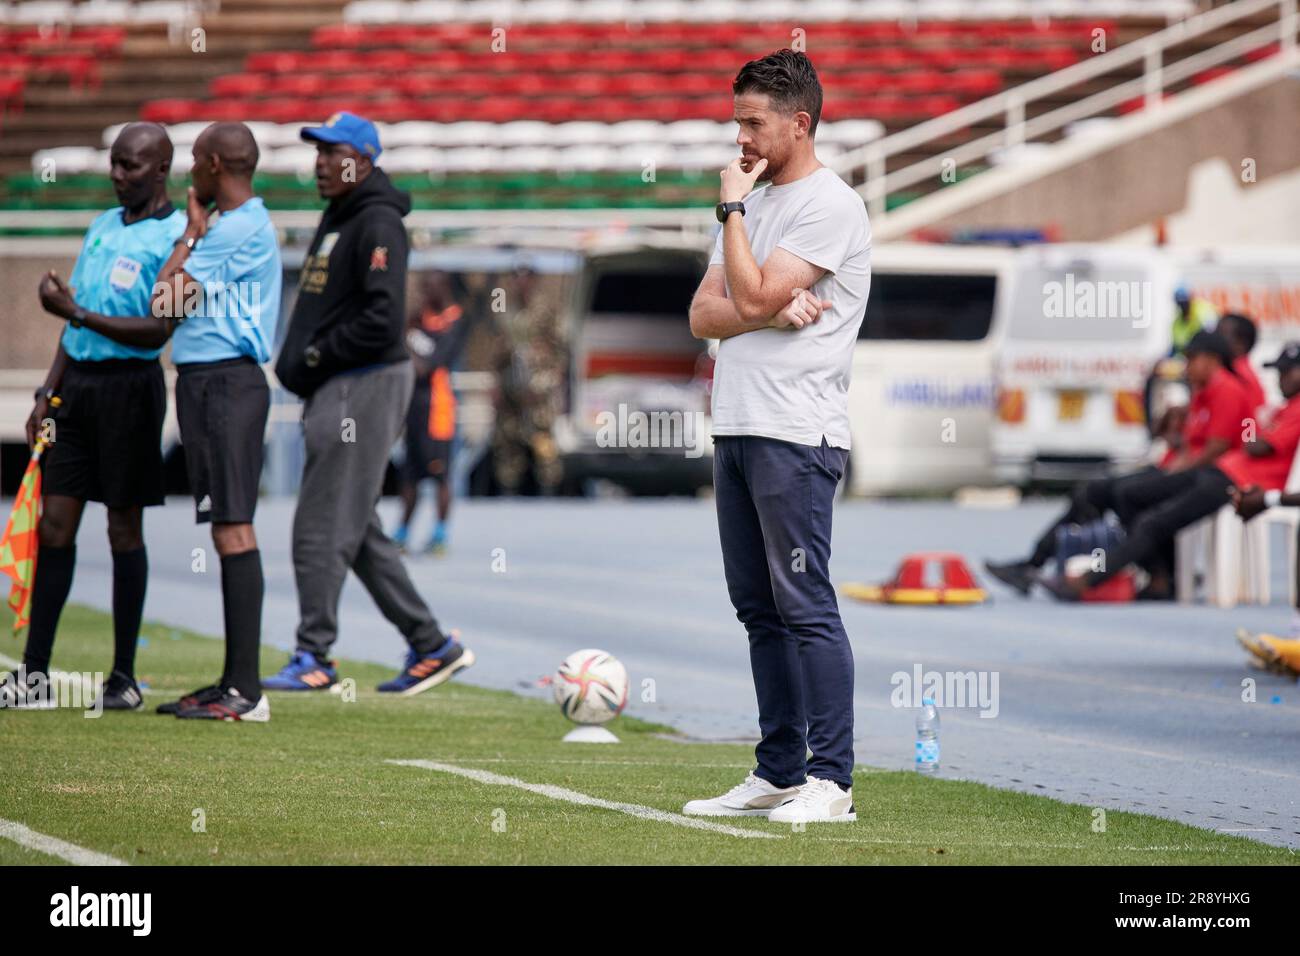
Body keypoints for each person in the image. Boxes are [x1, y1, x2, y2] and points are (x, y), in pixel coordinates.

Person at [681, 50, 870, 824]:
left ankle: (834, 781)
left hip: (797, 432)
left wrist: (735, 230)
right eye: (737, 120)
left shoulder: (829, 205)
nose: (742, 136)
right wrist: (760, 303)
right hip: (739, 425)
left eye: (754, 121)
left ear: (801, 122)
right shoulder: (753, 207)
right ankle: (779, 771)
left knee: (805, 605)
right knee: (758, 608)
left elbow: (747, 291)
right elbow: (702, 316)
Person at [269, 112, 474, 695]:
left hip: (362, 382)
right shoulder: (341, 215)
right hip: (344, 383)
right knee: (354, 524)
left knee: (320, 521)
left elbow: (382, 320)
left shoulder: (378, 221)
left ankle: (314, 654)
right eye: (316, 154)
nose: (320, 164)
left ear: (361, 157)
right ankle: (431, 644)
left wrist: (313, 358)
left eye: (331, 153)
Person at [0, 123, 183, 711]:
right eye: (113, 164)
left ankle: (123, 677)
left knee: (123, 528)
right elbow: (72, 325)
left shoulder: (180, 235)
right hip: (75, 388)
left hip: (131, 389)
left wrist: (74, 311)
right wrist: (44, 392)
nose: (117, 175)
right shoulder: (103, 225)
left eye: (129, 166)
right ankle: (33, 676)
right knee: (55, 524)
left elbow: (159, 329)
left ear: (160, 170)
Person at [142, 121, 282, 720]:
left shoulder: (241, 228)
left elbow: (163, 303)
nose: (188, 169)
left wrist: (192, 240)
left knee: (233, 527)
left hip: (228, 382)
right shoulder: (222, 229)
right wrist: (196, 233)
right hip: (205, 382)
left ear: (218, 164)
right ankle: (231, 680)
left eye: (196, 159)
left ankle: (246, 692)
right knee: (224, 526)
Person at [986, 330, 1253, 598]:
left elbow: (1217, 448)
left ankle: (1156, 573)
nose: (1186, 366)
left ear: (1212, 359)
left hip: (1202, 476)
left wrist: (1169, 475)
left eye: (1192, 358)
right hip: (1180, 467)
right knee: (1093, 492)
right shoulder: (1202, 391)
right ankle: (1037, 561)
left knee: (1130, 497)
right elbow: (1192, 442)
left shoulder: (1227, 390)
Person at [1039, 342, 1300, 601]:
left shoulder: (1288, 407)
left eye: (1286, 372)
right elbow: (1247, 432)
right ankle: (1158, 575)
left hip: (1238, 481)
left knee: (1151, 521)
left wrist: (1253, 427)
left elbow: (1255, 444)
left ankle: (1089, 580)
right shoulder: (1281, 407)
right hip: (1221, 471)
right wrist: (1254, 425)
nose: (1279, 379)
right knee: (1131, 497)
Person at [394, 270, 472, 554]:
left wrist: (408, 346)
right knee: (410, 476)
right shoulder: (416, 319)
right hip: (413, 409)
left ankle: (440, 535)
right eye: (423, 287)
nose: (426, 292)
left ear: (444, 287)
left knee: (440, 476)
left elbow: (430, 365)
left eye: (431, 287)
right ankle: (401, 532)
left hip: (438, 412)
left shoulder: (454, 320)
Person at [489, 263, 567, 495]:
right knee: (507, 445)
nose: (520, 283)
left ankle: (549, 490)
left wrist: (548, 381)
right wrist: (495, 384)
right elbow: (495, 348)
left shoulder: (546, 309)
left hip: (538, 388)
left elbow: (559, 351)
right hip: (510, 386)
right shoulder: (504, 307)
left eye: (525, 278)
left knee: (543, 442)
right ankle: (508, 491)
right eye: (516, 278)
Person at [1218, 311, 1266, 413]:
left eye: (1221, 333)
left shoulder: (1240, 377)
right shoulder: (1227, 370)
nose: (1214, 338)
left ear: (1240, 344)